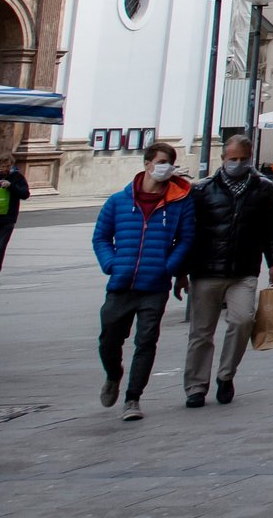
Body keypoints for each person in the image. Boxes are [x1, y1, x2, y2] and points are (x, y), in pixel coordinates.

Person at [91, 141, 195, 422]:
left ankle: (133, 398)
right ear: (147, 164)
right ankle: (114, 375)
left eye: (169, 163)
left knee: (146, 341)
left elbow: (186, 239)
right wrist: (111, 263)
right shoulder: (119, 201)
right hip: (121, 282)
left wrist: (170, 267)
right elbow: (101, 236)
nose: (165, 168)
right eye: (161, 162)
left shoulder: (178, 202)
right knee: (108, 339)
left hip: (154, 285)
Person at [180, 135, 273, 408]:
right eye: (232, 159)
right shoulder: (202, 190)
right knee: (201, 332)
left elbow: (271, 228)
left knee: (242, 320)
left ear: (250, 158)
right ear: (223, 159)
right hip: (206, 270)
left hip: (243, 269)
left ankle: (226, 375)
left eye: (243, 159)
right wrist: (181, 271)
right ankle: (195, 386)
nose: (237, 164)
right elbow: (189, 233)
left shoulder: (263, 188)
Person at [0, 153, 30, 285]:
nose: (4, 169)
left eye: (7, 166)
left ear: (11, 166)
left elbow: (25, 194)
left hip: (7, 218)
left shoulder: (17, 177)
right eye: (1, 166)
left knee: (1, 246)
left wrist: (11, 186)